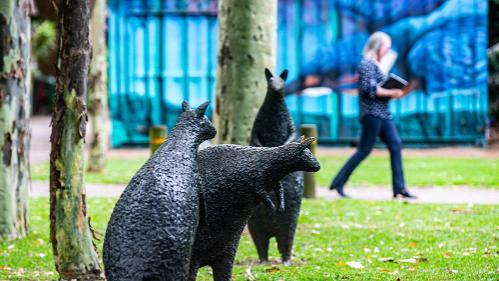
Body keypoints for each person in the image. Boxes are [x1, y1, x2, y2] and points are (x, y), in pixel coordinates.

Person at [329, 31, 417, 199]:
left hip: (383, 114)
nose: (387, 51)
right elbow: (371, 90)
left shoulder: (376, 65)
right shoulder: (367, 64)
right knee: (364, 150)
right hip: (372, 114)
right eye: (386, 47)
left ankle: (399, 188)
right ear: (378, 46)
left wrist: (392, 92)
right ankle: (338, 182)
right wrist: (392, 92)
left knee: (396, 146)